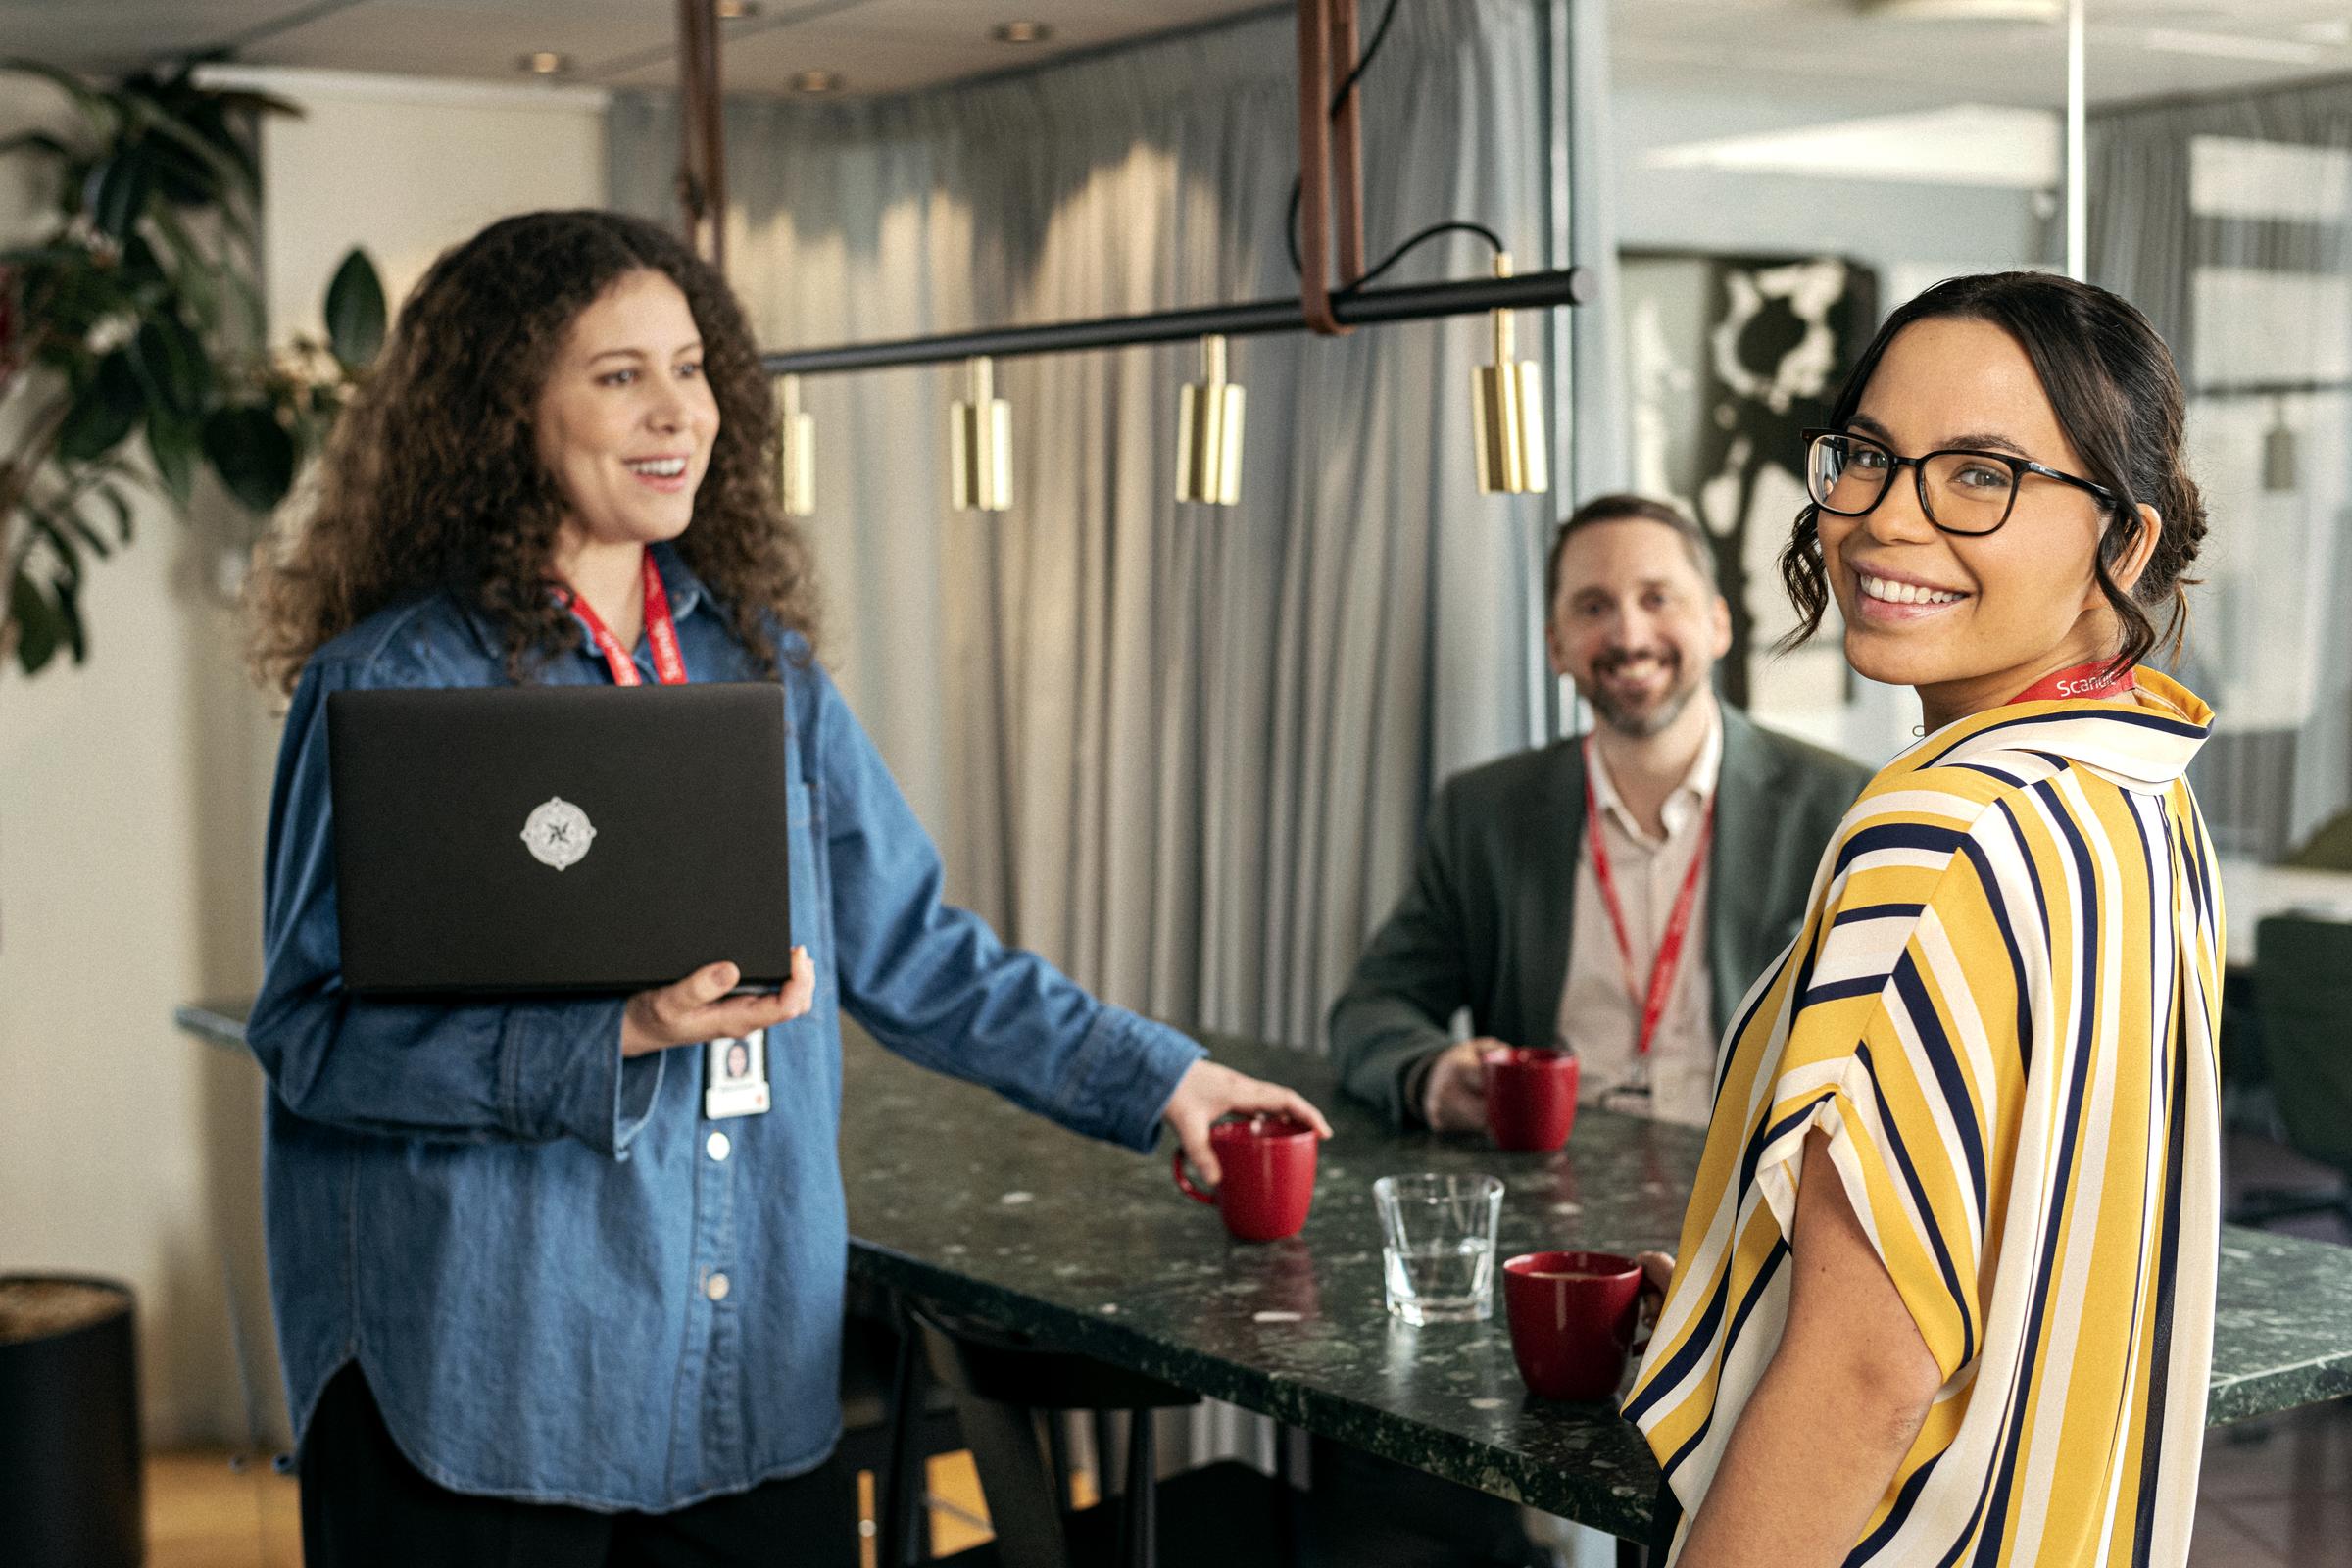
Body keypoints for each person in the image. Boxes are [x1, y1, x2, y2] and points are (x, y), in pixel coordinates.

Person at [242, 209, 1328, 1567]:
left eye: (691, 367)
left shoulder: (764, 668)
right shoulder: (391, 684)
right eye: (619, 373)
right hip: (490, 1396)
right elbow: (309, 1040)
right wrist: (613, 1039)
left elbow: (918, 950)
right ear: (504, 406)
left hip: (743, 1383)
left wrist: (1162, 1078)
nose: (675, 413)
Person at [1622, 271, 2221, 1567]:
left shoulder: (1937, 831)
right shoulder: (2138, 796)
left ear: (2123, 537)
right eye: (1873, 459)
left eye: (1982, 475)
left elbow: (1860, 1381)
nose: (1890, 520)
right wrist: (1754, 1289)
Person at [1329, 494, 1871, 1132]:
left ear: (1718, 624)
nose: (1629, 636)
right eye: (1593, 606)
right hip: (1552, 1190)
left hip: (1752, 1192)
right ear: (1556, 647)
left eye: (1657, 598)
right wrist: (1434, 1071)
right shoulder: (1483, 814)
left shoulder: (1842, 806)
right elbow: (1371, 1010)